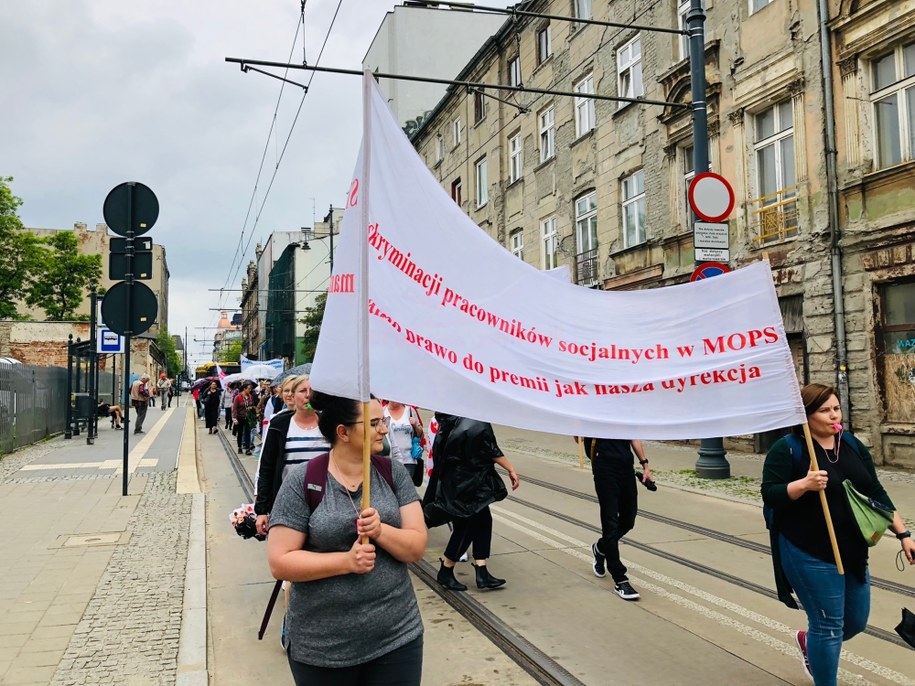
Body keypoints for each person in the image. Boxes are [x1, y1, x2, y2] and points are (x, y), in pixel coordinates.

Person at [266, 392, 426, 685]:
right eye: (375, 422)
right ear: (343, 432)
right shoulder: (303, 480)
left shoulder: (393, 473)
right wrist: (346, 562)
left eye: (384, 421)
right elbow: (280, 562)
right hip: (323, 648)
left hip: (397, 636)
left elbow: (416, 546)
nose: (384, 429)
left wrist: (380, 531)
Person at [762, 383, 915, 686]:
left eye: (836, 408)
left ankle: (811, 642)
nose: (834, 415)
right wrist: (803, 485)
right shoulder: (788, 448)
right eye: (824, 410)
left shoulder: (852, 444)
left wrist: (903, 533)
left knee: (855, 621)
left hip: (853, 548)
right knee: (828, 625)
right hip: (807, 549)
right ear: (806, 416)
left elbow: (874, 491)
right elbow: (771, 494)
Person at [422, 413, 520, 592]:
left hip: (458, 481)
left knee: (483, 520)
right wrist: (511, 469)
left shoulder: (448, 418)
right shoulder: (474, 419)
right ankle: (447, 568)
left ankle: (482, 570)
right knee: (466, 526)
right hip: (469, 483)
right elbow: (490, 448)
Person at [255, 376, 330, 537]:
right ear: (293, 396)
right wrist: (262, 510)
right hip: (289, 502)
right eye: (303, 391)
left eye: (312, 391)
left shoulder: (328, 424)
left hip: (325, 503)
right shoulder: (279, 424)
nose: (308, 395)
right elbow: (267, 468)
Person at [578, 436, 650, 601]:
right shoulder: (593, 413)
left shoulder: (624, 413)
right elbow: (578, 437)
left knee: (628, 520)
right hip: (604, 469)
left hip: (626, 468)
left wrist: (645, 464)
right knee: (610, 523)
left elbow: (634, 437)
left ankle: (600, 548)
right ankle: (620, 579)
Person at [383, 400, 424, 486]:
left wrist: (415, 424)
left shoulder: (410, 411)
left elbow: (420, 434)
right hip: (389, 460)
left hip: (408, 460)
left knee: (405, 491)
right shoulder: (383, 411)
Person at [233, 382, 256, 455]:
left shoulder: (250, 396)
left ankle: (247, 449)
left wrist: (251, 407)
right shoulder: (238, 397)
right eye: (248, 389)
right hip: (240, 417)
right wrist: (234, 418)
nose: (250, 390)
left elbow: (252, 405)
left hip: (248, 417)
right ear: (244, 389)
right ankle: (239, 447)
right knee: (240, 433)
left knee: (247, 433)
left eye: (250, 389)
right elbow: (234, 408)